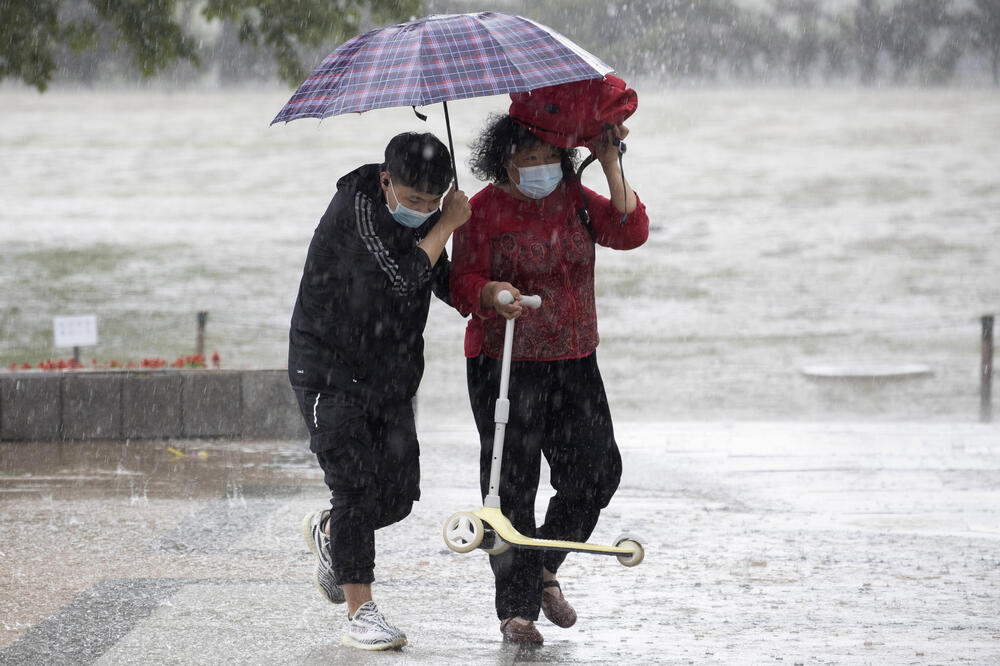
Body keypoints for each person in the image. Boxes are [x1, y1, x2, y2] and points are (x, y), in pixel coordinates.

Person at [450, 114, 649, 644]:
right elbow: (458, 282)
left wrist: (609, 163)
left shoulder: (576, 199)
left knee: (598, 472)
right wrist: (491, 293)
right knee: (513, 488)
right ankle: (516, 612)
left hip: (575, 359)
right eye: (526, 160)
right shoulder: (480, 210)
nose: (539, 169)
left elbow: (631, 232)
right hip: (504, 363)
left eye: (547, 158)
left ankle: (542, 569)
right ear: (503, 163)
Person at [289, 131, 470, 651]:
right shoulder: (358, 208)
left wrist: (483, 294)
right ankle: (359, 612)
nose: (423, 211)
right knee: (354, 489)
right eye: (413, 202)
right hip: (329, 369)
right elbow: (403, 277)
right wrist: (448, 222)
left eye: (432, 202)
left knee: (395, 497)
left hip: (389, 376)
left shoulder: (431, 210)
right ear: (388, 182)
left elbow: (437, 274)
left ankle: (332, 533)